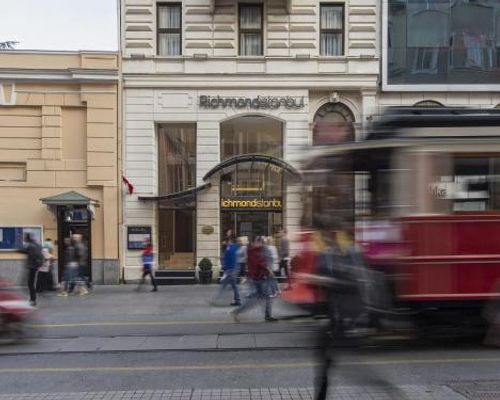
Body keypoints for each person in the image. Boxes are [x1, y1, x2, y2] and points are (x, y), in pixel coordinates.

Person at [231, 236, 277, 322]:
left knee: (263, 297)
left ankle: (267, 315)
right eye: (259, 242)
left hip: (257, 277)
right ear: (254, 242)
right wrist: (269, 270)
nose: (261, 244)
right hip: (259, 277)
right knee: (259, 298)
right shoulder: (253, 251)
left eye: (261, 242)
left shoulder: (253, 250)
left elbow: (253, 263)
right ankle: (237, 312)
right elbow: (259, 262)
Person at [212, 235, 241, 306]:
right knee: (230, 285)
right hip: (230, 269)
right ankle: (237, 300)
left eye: (226, 241)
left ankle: (217, 299)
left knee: (227, 285)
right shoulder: (231, 247)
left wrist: (226, 268)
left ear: (229, 241)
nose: (224, 242)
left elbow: (228, 259)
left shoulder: (231, 248)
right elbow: (226, 258)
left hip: (231, 270)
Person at [19, 233, 43, 306]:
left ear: (27, 238)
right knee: (31, 283)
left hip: (32, 267)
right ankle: (32, 299)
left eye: (24, 238)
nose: (24, 239)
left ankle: (33, 300)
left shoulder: (31, 245)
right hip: (34, 266)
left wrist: (18, 249)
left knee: (30, 283)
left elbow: (27, 252)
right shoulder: (36, 244)